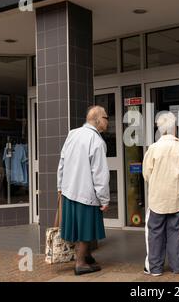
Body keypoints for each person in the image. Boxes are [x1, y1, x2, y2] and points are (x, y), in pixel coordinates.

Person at [142, 112, 179, 276]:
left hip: (157, 199)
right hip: (178, 197)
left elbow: (147, 174)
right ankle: (177, 266)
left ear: (160, 130)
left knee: (155, 232)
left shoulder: (152, 149)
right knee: (176, 232)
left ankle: (155, 268)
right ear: (174, 128)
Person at [57, 106, 110, 276]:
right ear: (96, 120)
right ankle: (80, 263)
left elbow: (62, 163)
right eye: (105, 117)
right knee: (86, 229)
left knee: (79, 227)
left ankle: (87, 257)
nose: (107, 121)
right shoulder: (96, 140)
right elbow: (100, 173)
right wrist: (104, 199)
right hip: (86, 192)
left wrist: (60, 186)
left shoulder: (73, 134)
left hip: (69, 189)